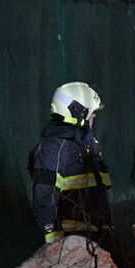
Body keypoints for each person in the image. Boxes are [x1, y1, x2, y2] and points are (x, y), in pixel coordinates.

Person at [29, 82, 114, 248]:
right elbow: (45, 193)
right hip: (72, 239)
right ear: (79, 112)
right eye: (92, 113)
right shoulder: (54, 148)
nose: (94, 116)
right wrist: (54, 239)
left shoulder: (85, 143)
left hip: (97, 233)